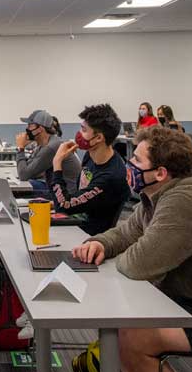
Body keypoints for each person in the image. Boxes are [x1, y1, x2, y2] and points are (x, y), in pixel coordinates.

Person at [72, 127, 192, 372]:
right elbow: (126, 233)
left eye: (137, 160)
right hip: (179, 297)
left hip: (186, 301)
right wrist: (100, 243)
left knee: (132, 337)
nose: (129, 164)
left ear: (160, 173)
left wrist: (128, 251)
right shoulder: (155, 195)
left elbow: (138, 265)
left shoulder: (182, 199)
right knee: (120, 322)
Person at [50, 104, 131, 235]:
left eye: (84, 130)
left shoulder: (111, 176)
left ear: (98, 138)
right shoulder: (91, 154)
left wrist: (57, 163)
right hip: (76, 219)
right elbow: (77, 197)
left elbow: (64, 206)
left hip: (88, 235)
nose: (79, 134)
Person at [15, 110, 80, 192]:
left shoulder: (51, 147)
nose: (27, 129)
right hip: (55, 187)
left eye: (30, 126)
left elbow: (24, 175)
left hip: (65, 194)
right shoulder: (42, 145)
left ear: (40, 129)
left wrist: (20, 148)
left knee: (18, 192)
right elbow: (28, 169)